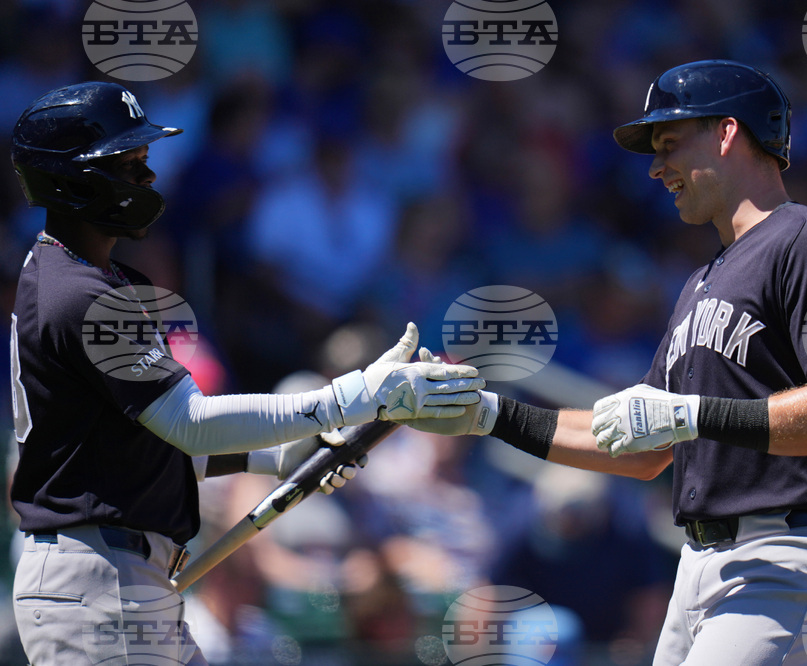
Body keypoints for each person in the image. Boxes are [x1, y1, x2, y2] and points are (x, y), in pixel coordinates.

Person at [410, 60, 807, 664]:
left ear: (727, 132)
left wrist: (691, 415)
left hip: (792, 552)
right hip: (706, 566)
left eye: (669, 143)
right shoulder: (701, 282)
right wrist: (485, 414)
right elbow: (637, 446)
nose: (657, 167)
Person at [7, 81, 484, 665]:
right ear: (71, 179)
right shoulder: (78, 293)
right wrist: (353, 397)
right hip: (98, 578)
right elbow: (192, 424)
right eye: (127, 165)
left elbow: (145, 445)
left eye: (144, 162)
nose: (147, 179)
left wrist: (279, 458)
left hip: (125, 575)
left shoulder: (97, 281)